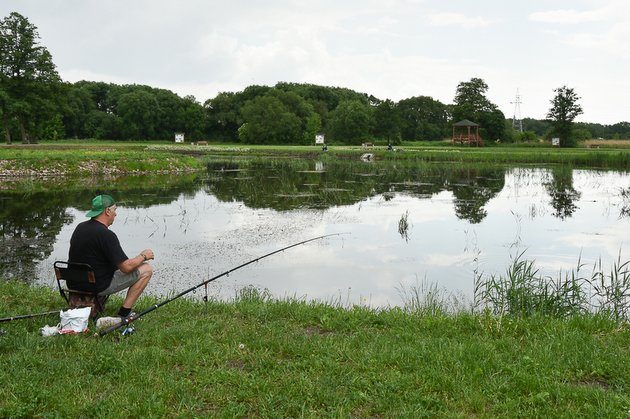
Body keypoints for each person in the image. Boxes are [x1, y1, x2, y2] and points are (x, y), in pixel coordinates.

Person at [68, 194, 154, 323]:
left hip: (74, 282)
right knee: (146, 269)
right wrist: (143, 256)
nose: (115, 214)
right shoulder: (106, 235)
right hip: (97, 285)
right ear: (107, 211)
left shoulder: (80, 227)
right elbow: (126, 268)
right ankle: (124, 313)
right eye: (114, 210)